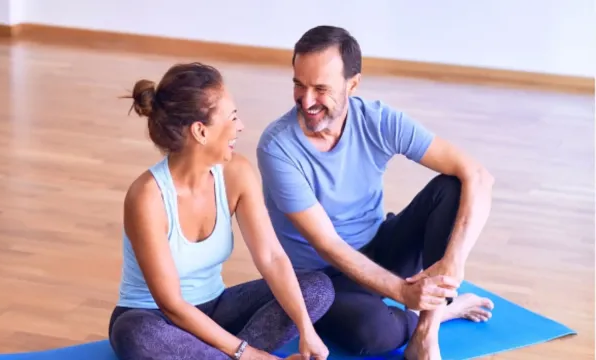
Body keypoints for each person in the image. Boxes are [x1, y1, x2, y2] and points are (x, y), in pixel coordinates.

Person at [256, 25, 495, 360]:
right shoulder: (277, 147)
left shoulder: (378, 121)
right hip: (322, 278)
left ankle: (427, 331)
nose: (306, 101)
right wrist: (402, 292)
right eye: (299, 85)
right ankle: (441, 311)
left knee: (452, 186)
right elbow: (329, 245)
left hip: (380, 248)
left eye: (321, 89)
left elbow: (479, 176)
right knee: (373, 334)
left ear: (353, 84)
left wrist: (453, 263)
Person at [108, 62, 335, 360]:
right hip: (155, 318)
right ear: (200, 131)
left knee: (317, 289)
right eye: (233, 117)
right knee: (136, 334)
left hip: (216, 309)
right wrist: (252, 354)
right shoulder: (147, 197)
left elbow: (272, 257)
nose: (240, 126)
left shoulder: (236, 172)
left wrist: (307, 330)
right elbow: (172, 305)